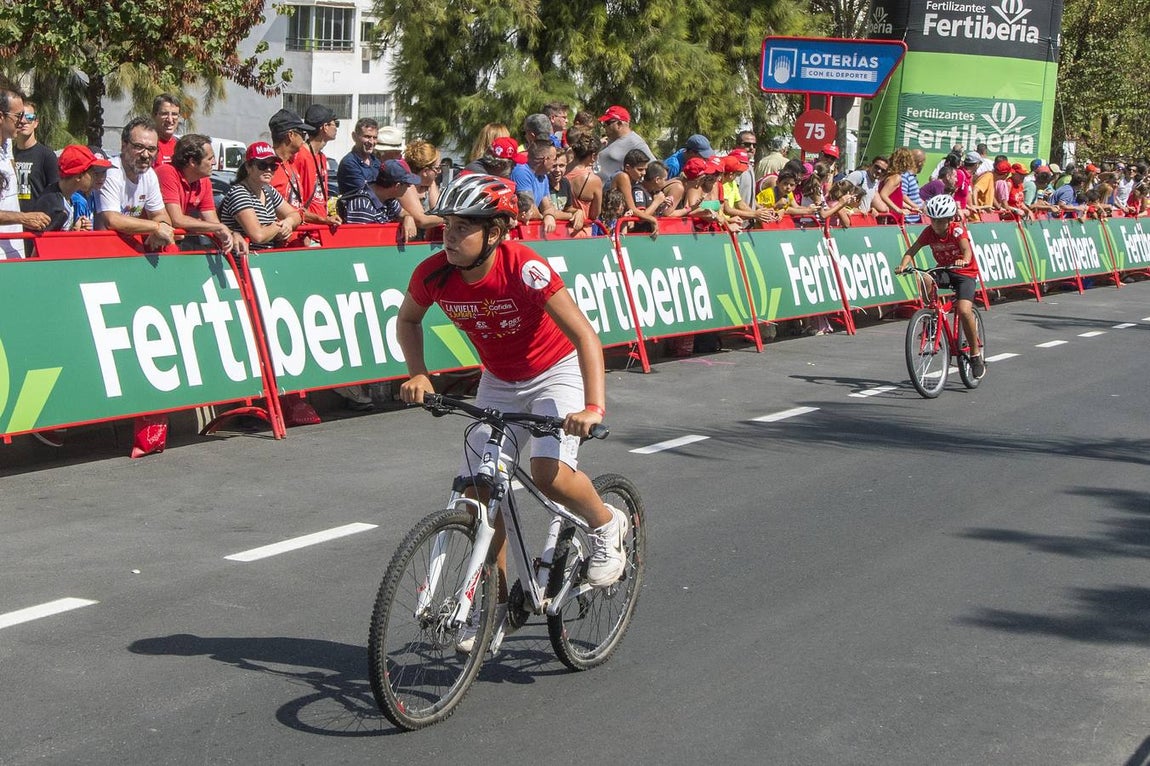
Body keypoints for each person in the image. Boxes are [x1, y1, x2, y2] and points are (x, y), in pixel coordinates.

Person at [396, 174, 628, 653]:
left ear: (497, 231)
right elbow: (408, 320)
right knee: (480, 492)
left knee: (549, 473)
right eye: (448, 226)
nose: (451, 236)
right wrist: (418, 373)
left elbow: (585, 336)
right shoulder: (432, 273)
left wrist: (592, 406)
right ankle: (496, 605)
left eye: (465, 227)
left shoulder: (525, 267)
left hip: (555, 371)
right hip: (499, 380)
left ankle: (606, 526)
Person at [895, 193, 985, 378]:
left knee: (964, 309)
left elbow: (967, 251)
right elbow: (913, 250)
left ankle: (975, 355)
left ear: (950, 220)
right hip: (944, 269)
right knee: (925, 276)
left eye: (941, 221)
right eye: (933, 220)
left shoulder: (957, 231)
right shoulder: (928, 232)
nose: (936, 225)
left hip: (964, 274)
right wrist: (904, 264)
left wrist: (963, 260)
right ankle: (931, 317)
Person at [97, 117, 177, 253]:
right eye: (139, 147)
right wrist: (156, 227)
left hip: (129, 249)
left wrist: (162, 227)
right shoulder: (110, 172)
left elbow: (160, 214)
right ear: (124, 145)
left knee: (171, 250)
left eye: (151, 149)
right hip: (100, 250)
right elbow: (112, 220)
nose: (145, 155)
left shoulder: (149, 174)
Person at [155, 134, 244, 253]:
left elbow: (212, 220)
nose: (214, 162)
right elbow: (177, 219)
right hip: (150, 244)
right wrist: (218, 228)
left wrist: (232, 233)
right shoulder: (167, 172)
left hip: (173, 241)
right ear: (192, 162)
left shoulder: (204, 180)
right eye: (210, 158)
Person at [218, 142, 302, 248]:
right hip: (244, 261)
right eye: (262, 165)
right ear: (248, 167)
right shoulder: (239, 193)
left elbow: (295, 215)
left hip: (266, 258)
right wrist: (279, 226)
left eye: (273, 166)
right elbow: (258, 235)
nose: (269, 170)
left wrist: (288, 222)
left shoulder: (269, 191)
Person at [0, 90, 50, 257]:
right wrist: (24, 218)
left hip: (14, 252)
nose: (21, 121)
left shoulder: (7, 146)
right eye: (18, 115)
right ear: (1, 117)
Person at [29, 144, 110, 232]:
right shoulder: (55, 206)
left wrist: (74, 230)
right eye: (93, 173)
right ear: (79, 176)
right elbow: (43, 243)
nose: (95, 178)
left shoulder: (65, 197)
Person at [13, 101, 59, 212]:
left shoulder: (47, 156)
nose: (23, 121)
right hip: (12, 223)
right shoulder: (8, 155)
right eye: (19, 116)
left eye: (29, 117)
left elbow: (56, 194)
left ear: (36, 123)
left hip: (37, 223)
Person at [596, 105, 654, 183]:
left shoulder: (635, 142)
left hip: (610, 192)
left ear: (619, 124)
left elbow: (654, 168)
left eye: (607, 123)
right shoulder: (610, 139)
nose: (604, 127)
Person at [337, 118, 381, 194]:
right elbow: (366, 192)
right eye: (367, 137)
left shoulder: (376, 162)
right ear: (354, 136)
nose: (371, 142)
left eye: (374, 137)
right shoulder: (349, 163)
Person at [152, 94, 182, 167]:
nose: (170, 120)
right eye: (164, 114)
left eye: (174, 114)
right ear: (154, 116)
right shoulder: (148, 145)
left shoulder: (181, 146)